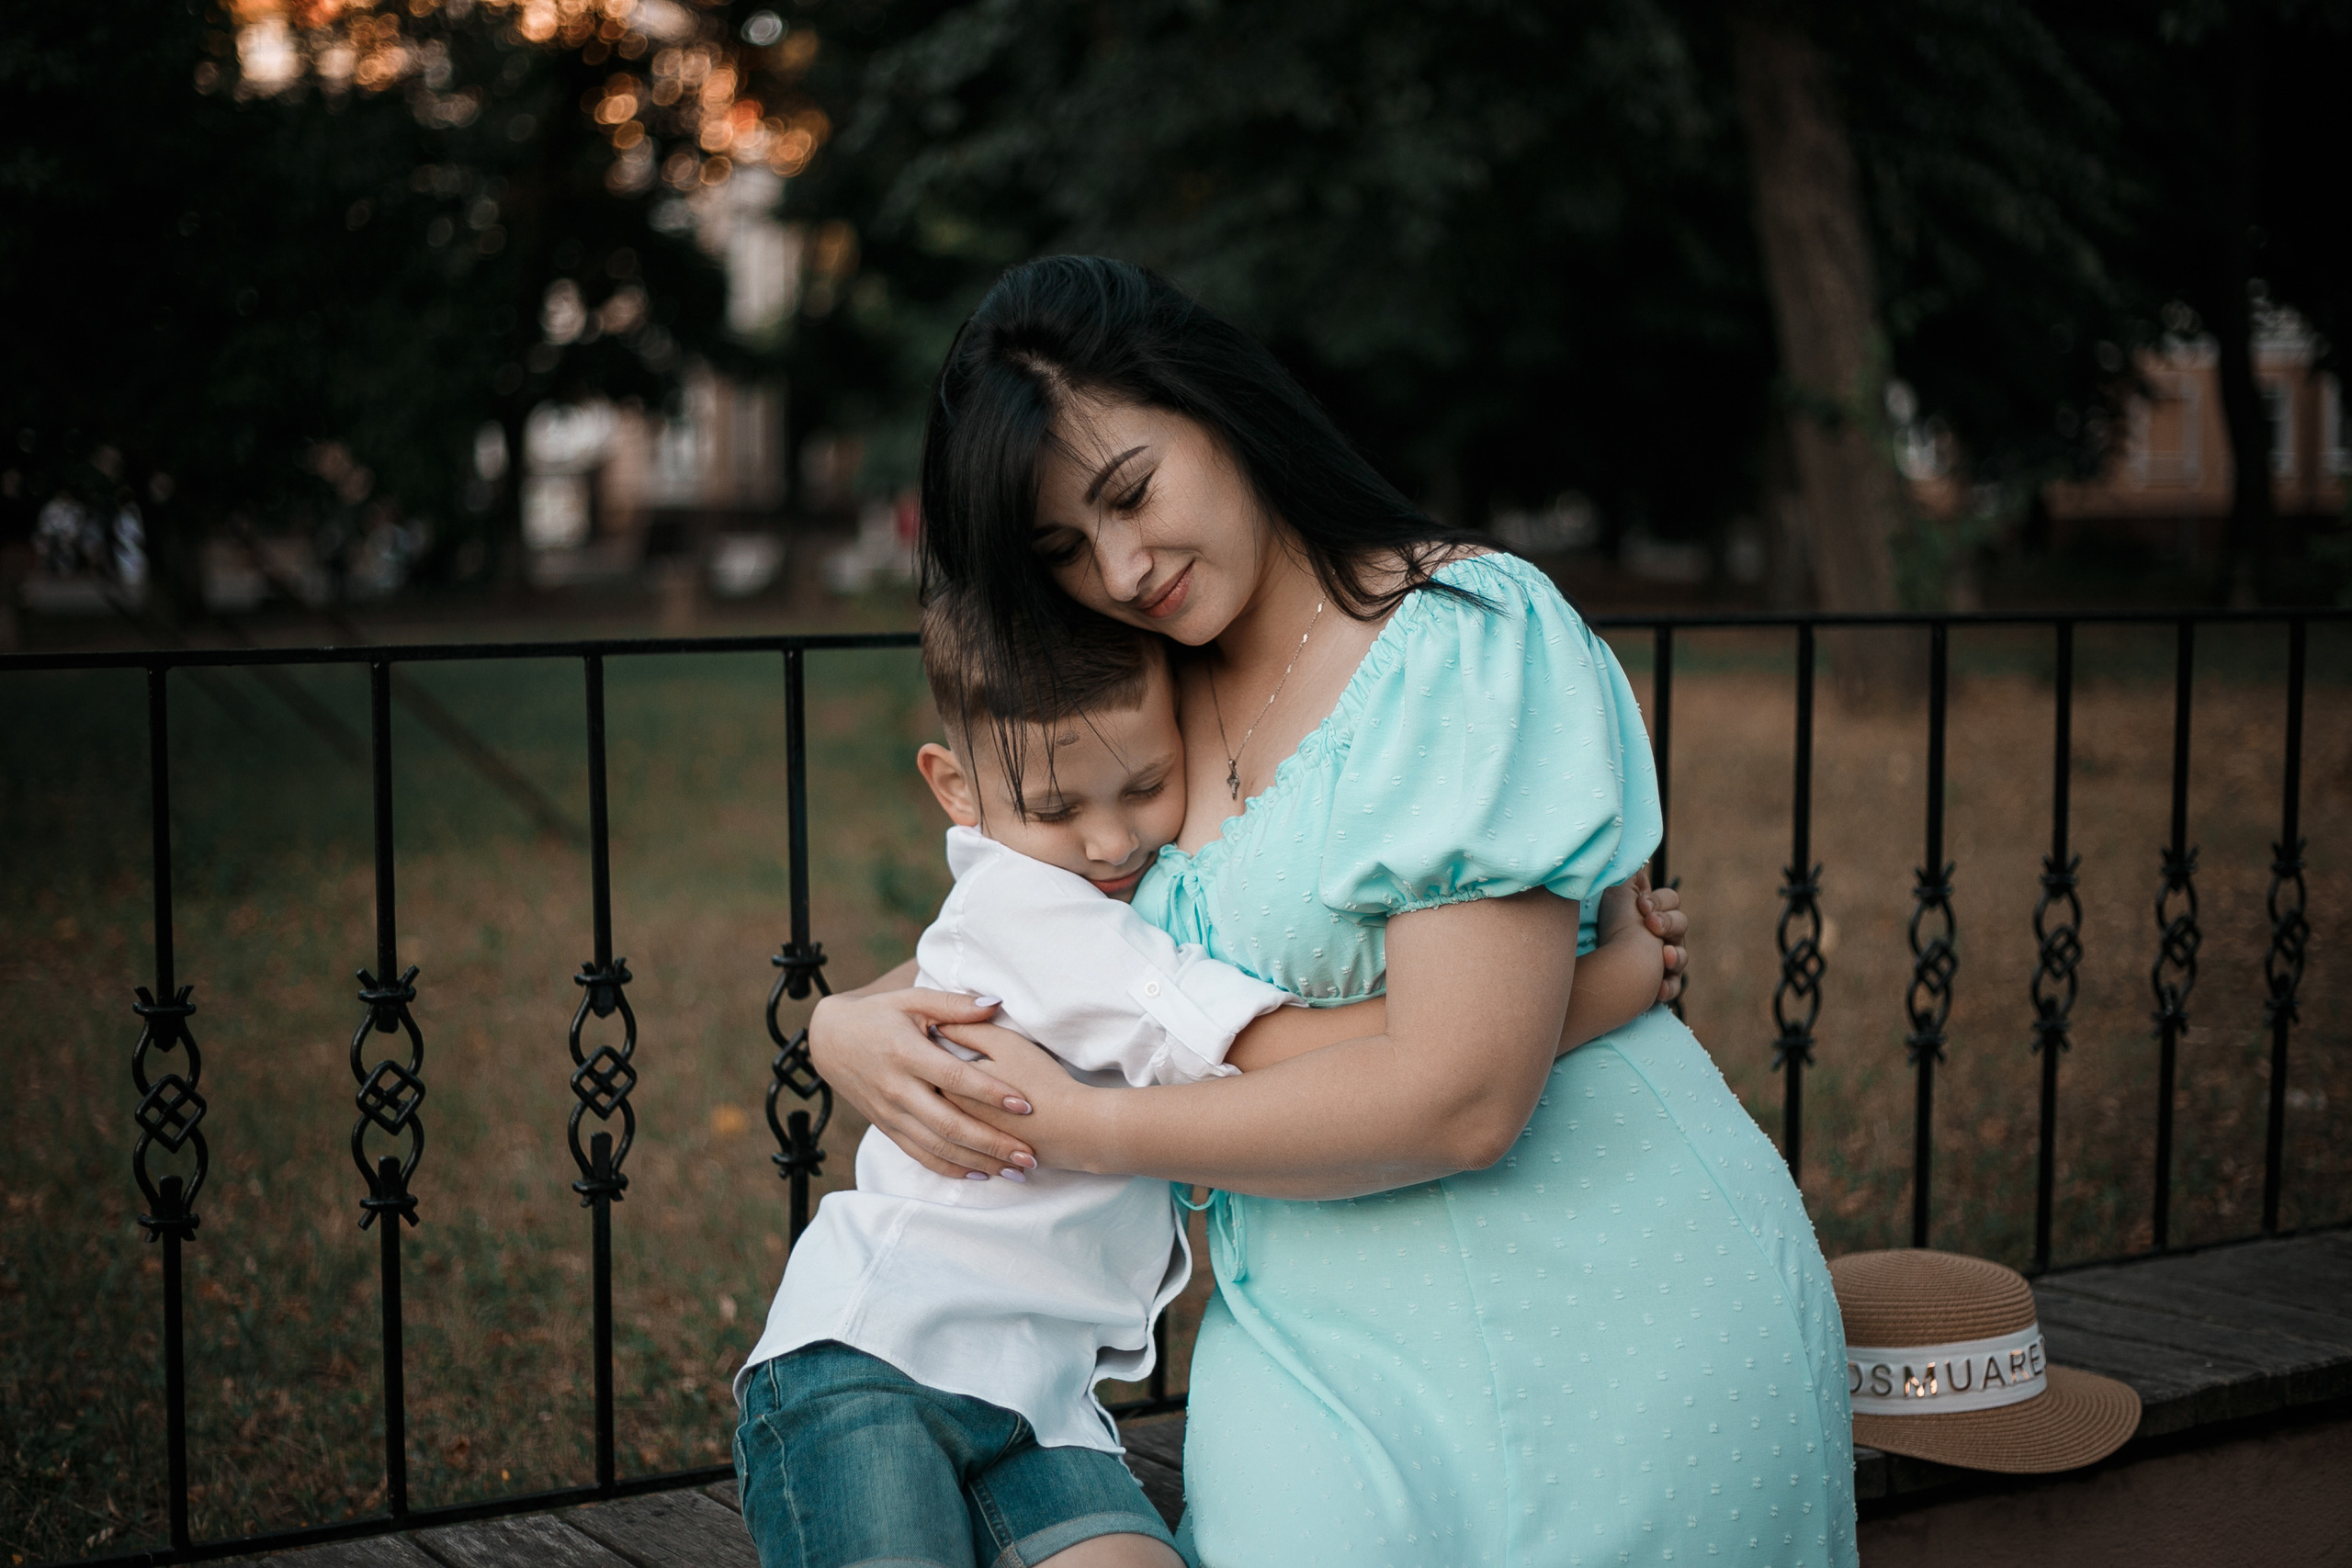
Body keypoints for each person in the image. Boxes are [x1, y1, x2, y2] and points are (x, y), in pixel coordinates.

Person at [810, 255, 1857, 1567]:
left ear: (1218, 406)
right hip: (1308, 1340)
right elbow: (1036, 941)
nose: (1124, 569)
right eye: (1063, 548)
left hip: (1606, 1307)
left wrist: (1084, 1123)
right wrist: (841, 1023)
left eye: (1132, 492)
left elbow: (1466, 1098)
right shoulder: (1146, 702)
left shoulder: (1462, 636)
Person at [733, 585, 1673, 1568]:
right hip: (871, 1359)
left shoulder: (1127, 892)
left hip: (1043, 1398)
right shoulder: (1030, 909)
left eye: (1143, 787)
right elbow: (1280, 1050)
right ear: (954, 789)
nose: (1109, 841)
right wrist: (1606, 983)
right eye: (1056, 809)